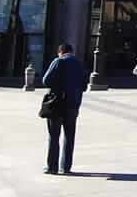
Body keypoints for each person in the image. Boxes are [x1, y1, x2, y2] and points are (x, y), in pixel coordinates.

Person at [41, 43, 87, 175]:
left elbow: (46, 80)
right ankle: (66, 166)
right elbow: (84, 86)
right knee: (69, 136)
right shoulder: (80, 64)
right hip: (73, 104)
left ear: (60, 51)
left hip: (57, 104)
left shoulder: (59, 61)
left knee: (54, 135)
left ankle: (52, 167)